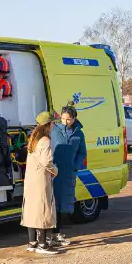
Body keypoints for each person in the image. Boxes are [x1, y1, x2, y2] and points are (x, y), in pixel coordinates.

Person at [22, 112, 60, 255]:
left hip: (31, 179)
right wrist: (55, 171)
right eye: (52, 123)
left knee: (32, 210)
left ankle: (32, 243)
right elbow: (47, 162)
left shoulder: (33, 138)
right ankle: (43, 245)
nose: (54, 125)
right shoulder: (45, 140)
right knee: (43, 209)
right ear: (48, 125)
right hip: (41, 180)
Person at [50, 105, 87, 246]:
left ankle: (58, 233)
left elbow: (82, 153)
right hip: (54, 172)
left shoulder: (79, 134)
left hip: (68, 173)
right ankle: (49, 234)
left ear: (74, 118)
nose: (65, 121)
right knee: (51, 203)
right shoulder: (54, 130)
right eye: (63, 118)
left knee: (65, 204)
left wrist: (75, 166)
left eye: (69, 119)